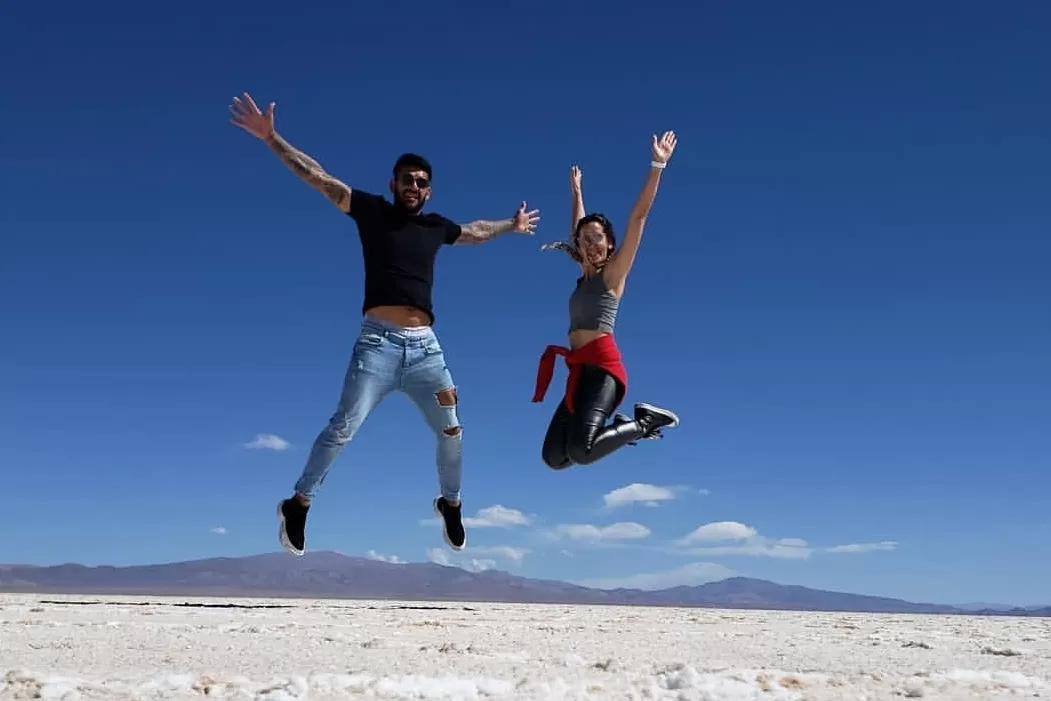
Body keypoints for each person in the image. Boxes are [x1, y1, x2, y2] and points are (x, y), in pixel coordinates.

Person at [229, 92, 540, 555]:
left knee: (452, 429)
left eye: (422, 182)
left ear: (429, 190)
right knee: (343, 426)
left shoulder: (435, 226)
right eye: (407, 180)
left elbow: (473, 231)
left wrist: (510, 226)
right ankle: (298, 503)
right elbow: (318, 177)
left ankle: (451, 503)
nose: (414, 186)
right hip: (377, 346)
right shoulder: (372, 212)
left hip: (426, 351)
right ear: (393, 183)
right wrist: (272, 138)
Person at [532, 131, 680, 469]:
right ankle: (616, 430)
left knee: (582, 451)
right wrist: (576, 192)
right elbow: (578, 228)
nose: (590, 244)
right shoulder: (583, 274)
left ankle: (644, 422)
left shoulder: (613, 275)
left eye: (597, 238)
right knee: (555, 457)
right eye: (584, 240)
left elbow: (638, 217)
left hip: (603, 370)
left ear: (610, 243)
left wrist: (657, 164)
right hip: (580, 370)